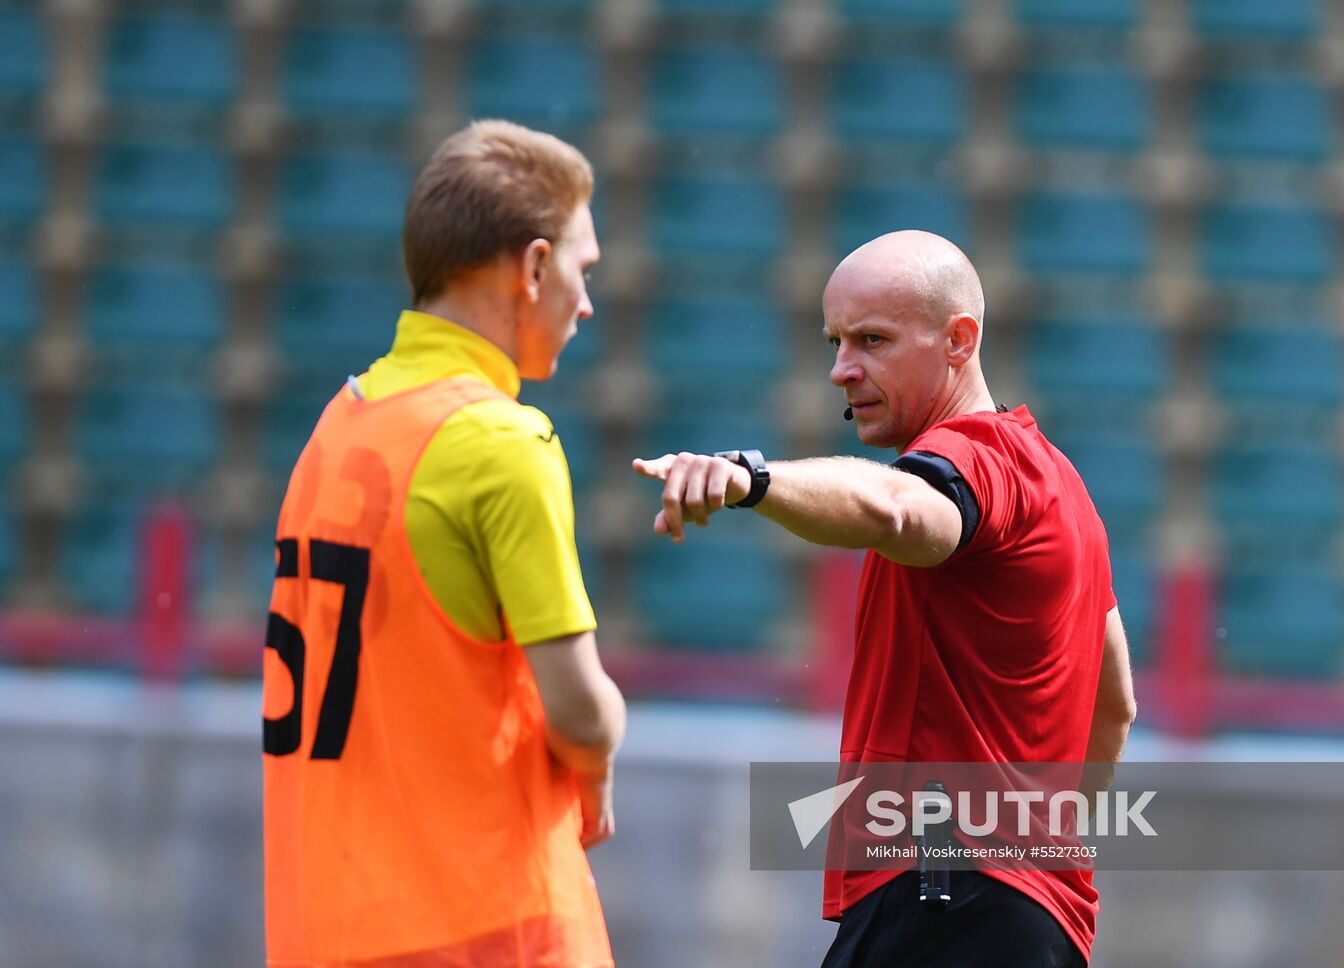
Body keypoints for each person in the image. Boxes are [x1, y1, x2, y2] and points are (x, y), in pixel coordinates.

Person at [634, 231, 1135, 967]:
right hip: (1037, 917)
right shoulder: (1065, 489)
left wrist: (753, 480)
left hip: (941, 889)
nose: (841, 370)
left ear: (959, 340)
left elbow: (900, 508)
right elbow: (1114, 704)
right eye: (835, 341)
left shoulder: (971, 462)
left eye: (872, 340)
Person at [263, 119, 625, 968]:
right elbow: (578, 710)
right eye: (582, 268)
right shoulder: (500, 442)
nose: (587, 301)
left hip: (326, 927)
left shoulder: (339, 425)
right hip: (483, 925)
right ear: (534, 267)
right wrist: (601, 750)